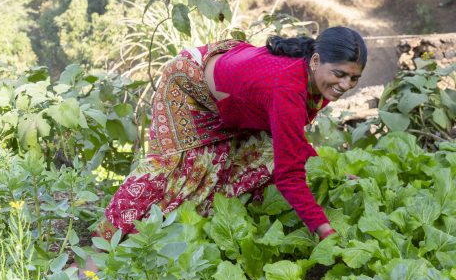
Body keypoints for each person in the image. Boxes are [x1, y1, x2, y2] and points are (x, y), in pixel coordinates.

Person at [95, 26, 366, 248]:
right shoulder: (288, 88)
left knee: (252, 159)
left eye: (354, 79)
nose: (345, 85)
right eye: (340, 74)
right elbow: (290, 173)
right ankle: (102, 248)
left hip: (234, 99)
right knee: (174, 168)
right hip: (189, 86)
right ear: (316, 60)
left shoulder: (317, 80)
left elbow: (289, 139)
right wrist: (326, 231)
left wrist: (332, 172)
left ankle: (186, 235)